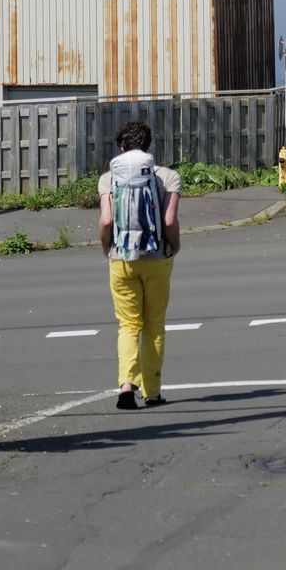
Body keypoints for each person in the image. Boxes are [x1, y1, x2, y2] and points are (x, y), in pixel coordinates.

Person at [98, 120, 181, 410]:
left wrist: (106, 247)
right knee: (154, 325)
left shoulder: (108, 179)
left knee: (128, 324)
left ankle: (125, 387)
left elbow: (107, 220)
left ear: (121, 149)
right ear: (148, 147)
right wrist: (174, 246)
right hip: (157, 259)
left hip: (121, 259)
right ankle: (153, 393)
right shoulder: (168, 178)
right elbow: (169, 221)